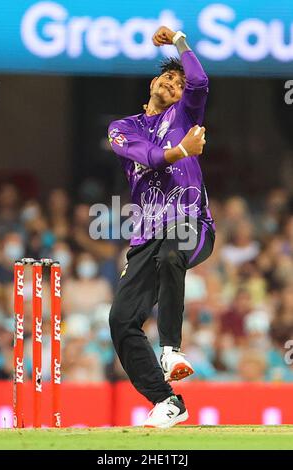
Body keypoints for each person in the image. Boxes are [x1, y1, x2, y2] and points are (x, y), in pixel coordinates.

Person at [108, 26, 215, 428]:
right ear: (153, 83)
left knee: (174, 252)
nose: (174, 84)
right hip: (145, 235)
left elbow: (200, 81)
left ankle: (171, 348)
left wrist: (180, 41)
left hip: (192, 223)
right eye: (168, 77)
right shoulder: (123, 126)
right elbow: (147, 156)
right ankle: (167, 401)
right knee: (121, 320)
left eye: (179, 82)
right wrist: (181, 150)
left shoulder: (185, 113)